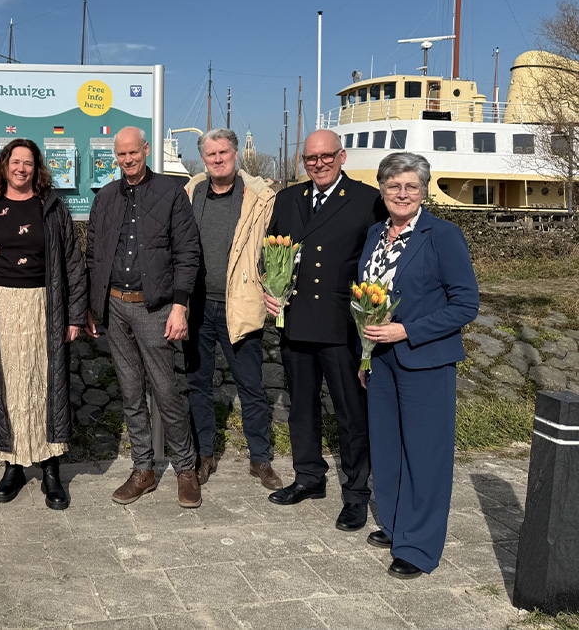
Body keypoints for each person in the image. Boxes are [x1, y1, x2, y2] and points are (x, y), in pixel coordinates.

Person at [357, 152, 478, 579]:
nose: (402, 193)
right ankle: (395, 523)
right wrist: (365, 355)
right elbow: (367, 301)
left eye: (411, 186)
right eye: (394, 186)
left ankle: (420, 546)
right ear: (382, 191)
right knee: (387, 448)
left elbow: (466, 304)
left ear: (423, 190)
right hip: (381, 362)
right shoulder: (376, 234)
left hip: (425, 359)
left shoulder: (442, 236)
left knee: (426, 454)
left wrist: (407, 331)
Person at [264, 129, 386, 531]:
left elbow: (379, 260)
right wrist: (271, 289)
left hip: (341, 324)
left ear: (342, 156)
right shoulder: (288, 199)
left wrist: (374, 312)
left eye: (326, 156)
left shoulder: (367, 199)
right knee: (301, 408)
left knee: (352, 414)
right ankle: (309, 477)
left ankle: (355, 494)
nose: (318, 164)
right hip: (295, 321)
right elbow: (272, 252)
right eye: (310, 158)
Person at [0, 138, 87, 509]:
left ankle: (50, 468)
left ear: (37, 168)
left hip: (44, 306)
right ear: (3, 165)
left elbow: (73, 264)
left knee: (43, 384)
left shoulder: (52, 208)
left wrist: (75, 315)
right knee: (9, 385)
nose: (21, 169)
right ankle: (13, 465)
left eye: (28, 163)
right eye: (15, 162)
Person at [86, 126, 203, 508]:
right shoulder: (104, 197)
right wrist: (92, 305)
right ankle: (144, 469)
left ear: (146, 150)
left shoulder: (171, 193)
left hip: (156, 308)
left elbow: (188, 253)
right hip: (115, 307)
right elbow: (94, 254)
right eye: (121, 155)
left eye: (133, 153)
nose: (127, 160)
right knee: (131, 391)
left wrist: (180, 306)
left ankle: (186, 468)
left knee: (166, 391)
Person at [184, 128, 283, 490]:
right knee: (198, 384)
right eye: (211, 155)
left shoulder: (260, 197)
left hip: (239, 305)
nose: (218, 159)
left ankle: (261, 460)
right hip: (197, 306)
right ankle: (204, 455)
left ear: (236, 153)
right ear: (204, 159)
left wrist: (275, 288)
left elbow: (277, 248)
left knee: (251, 386)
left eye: (223, 152)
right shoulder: (191, 192)